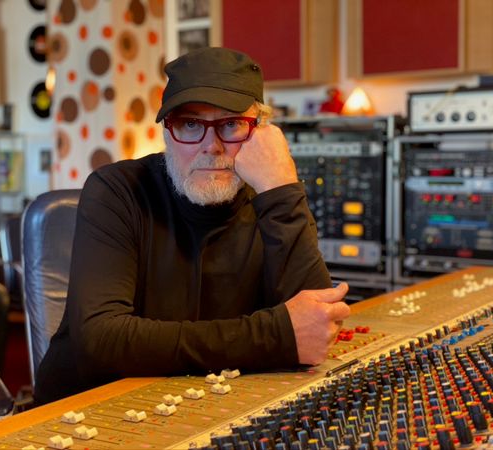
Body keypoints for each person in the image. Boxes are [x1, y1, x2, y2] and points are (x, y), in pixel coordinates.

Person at [34, 47, 350, 404]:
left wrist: (281, 189)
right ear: (167, 132)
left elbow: (314, 329)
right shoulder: (116, 191)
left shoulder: (272, 196)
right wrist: (273, 335)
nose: (211, 146)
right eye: (190, 124)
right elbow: (101, 340)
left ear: (260, 133)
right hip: (85, 411)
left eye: (231, 124)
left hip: (204, 406)